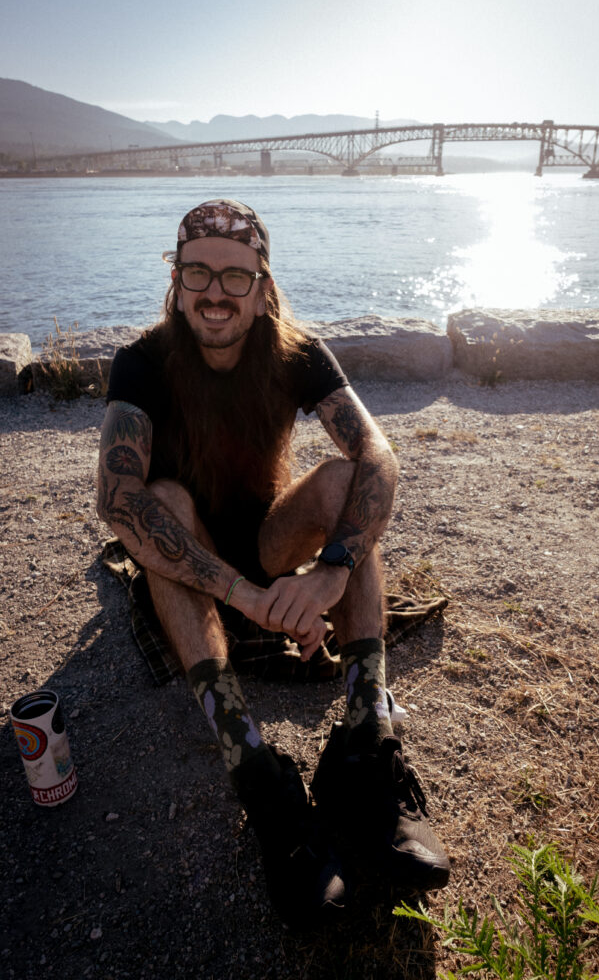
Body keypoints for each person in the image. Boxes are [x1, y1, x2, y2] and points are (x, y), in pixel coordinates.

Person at [97, 199, 449, 926]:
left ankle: (365, 747)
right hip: (186, 557)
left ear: (262, 287)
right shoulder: (142, 362)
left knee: (344, 482)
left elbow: (377, 455)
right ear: (176, 279)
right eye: (197, 271)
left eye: (235, 276)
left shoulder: (295, 353)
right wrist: (241, 595)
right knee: (158, 499)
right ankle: (258, 777)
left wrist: (334, 570)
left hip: (265, 542)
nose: (215, 292)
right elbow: (118, 499)